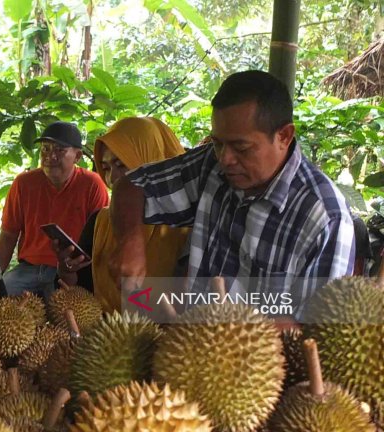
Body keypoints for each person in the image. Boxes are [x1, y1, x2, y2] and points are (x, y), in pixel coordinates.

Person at [111, 70, 355, 321]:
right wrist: (130, 241)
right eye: (218, 143)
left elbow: (319, 332)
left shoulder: (325, 218)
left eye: (241, 147)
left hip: (258, 358)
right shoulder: (211, 166)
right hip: (185, 347)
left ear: (284, 136)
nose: (225, 159)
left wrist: (230, 334)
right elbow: (132, 186)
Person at [54, 117, 191, 312]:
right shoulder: (99, 222)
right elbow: (81, 296)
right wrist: (67, 270)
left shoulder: (188, 228)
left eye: (122, 165)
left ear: (152, 163)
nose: (113, 178)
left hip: (173, 338)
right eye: (107, 168)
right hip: (106, 336)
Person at [0, 121, 109, 299]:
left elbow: (101, 237)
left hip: (71, 270)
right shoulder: (24, 183)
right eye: (46, 149)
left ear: (77, 155)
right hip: (28, 269)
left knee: (66, 315)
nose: (51, 156)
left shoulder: (92, 184)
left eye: (60, 150)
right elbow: (9, 234)